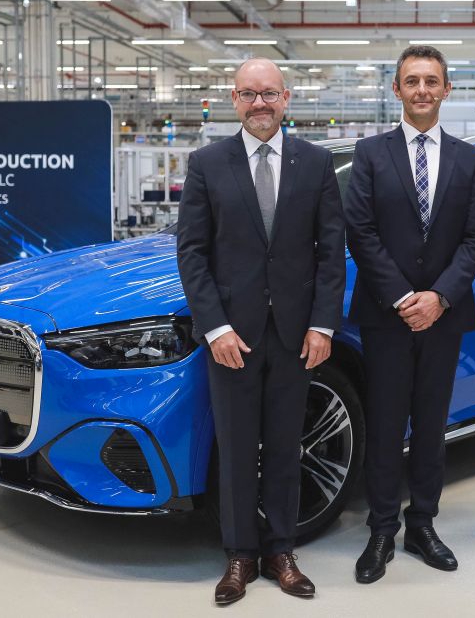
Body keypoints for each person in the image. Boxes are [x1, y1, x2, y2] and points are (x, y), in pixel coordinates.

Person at [176, 58, 346, 605]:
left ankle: (281, 551)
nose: (260, 104)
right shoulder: (207, 164)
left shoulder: (315, 163)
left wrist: (322, 324)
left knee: (285, 446)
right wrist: (215, 328)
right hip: (233, 337)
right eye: (249, 94)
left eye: (269, 93)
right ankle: (239, 556)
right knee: (235, 447)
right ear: (234, 100)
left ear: (286, 98)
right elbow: (192, 254)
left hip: (296, 335)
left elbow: (331, 253)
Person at [344, 45, 475, 583]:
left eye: (432, 81)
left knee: (432, 425)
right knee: (385, 425)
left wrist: (440, 297)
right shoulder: (370, 154)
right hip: (387, 315)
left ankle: (422, 524)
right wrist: (405, 297)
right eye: (412, 81)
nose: (422, 90)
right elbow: (360, 232)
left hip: (444, 316)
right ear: (397, 90)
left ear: (446, 89)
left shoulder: (469, 160)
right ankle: (382, 529)